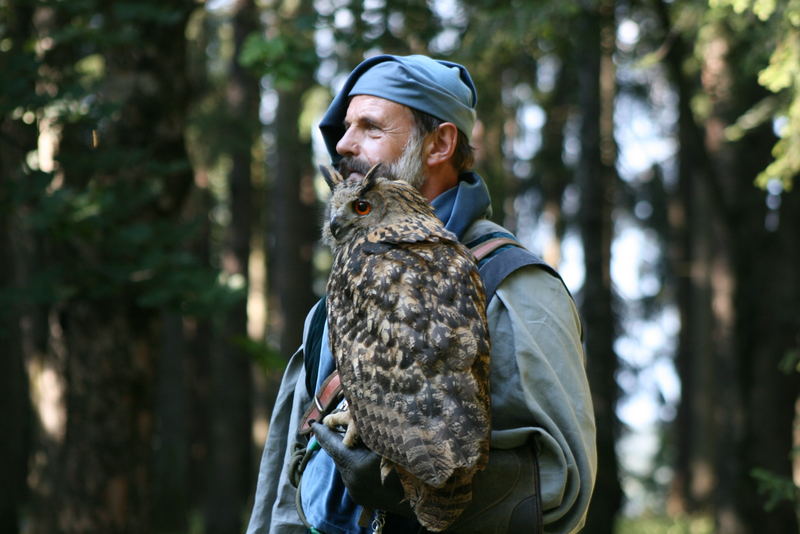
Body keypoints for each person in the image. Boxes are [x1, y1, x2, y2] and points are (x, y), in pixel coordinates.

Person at [247, 54, 597, 534]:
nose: (344, 144)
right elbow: (290, 488)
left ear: (440, 144)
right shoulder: (337, 296)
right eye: (346, 127)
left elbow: (562, 485)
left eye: (371, 127)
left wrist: (422, 492)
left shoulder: (511, 281)